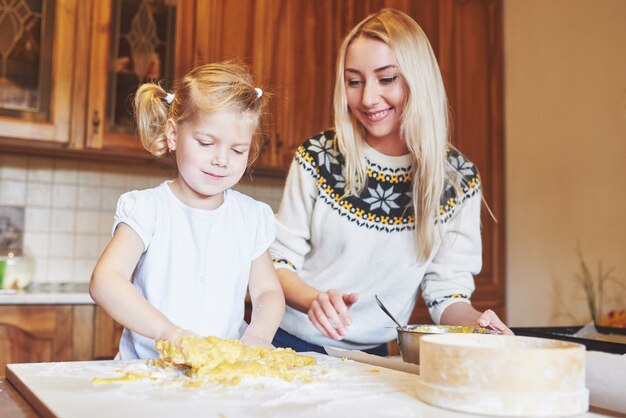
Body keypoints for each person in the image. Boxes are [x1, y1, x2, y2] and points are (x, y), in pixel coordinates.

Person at [269, 8, 512, 356]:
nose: (368, 98)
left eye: (386, 79)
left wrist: (479, 328)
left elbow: (446, 294)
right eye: (354, 81)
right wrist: (313, 301)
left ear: (418, 79)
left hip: (374, 355)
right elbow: (276, 263)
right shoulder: (317, 156)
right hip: (291, 344)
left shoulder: (457, 180)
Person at [90, 61, 285, 360]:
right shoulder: (148, 209)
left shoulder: (251, 218)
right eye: (206, 143)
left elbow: (268, 293)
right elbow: (106, 281)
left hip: (221, 378)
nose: (222, 159)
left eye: (237, 150)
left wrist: (257, 337)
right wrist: (170, 335)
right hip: (145, 376)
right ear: (173, 135)